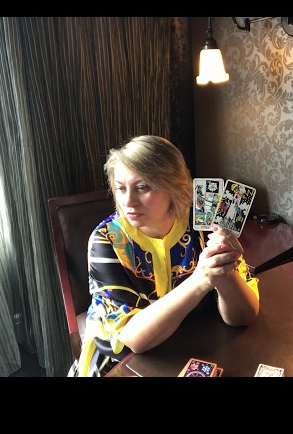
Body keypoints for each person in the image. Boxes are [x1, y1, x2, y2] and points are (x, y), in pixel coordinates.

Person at [72, 135, 260, 377]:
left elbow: (242, 317)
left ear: (175, 186)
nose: (128, 201)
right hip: (122, 362)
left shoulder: (205, 222)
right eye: (120, 188)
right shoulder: (107, 239)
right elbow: (134, 340)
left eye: (143, 187)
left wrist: (224, 267)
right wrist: (200, 280)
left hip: (195, 345)